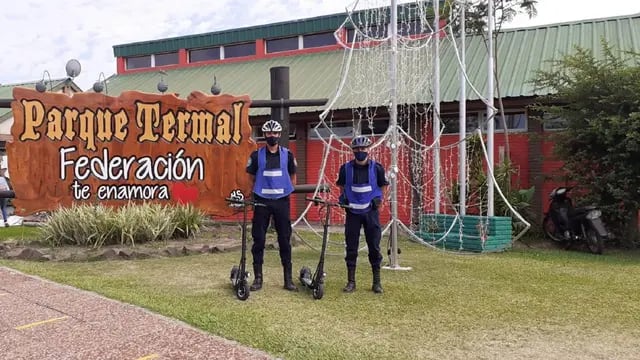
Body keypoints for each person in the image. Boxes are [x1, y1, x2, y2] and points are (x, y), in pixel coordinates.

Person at [245, 119, 298, 291]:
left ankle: (288, 280)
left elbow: (293, 177)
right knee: (258, 239)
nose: (272, 136)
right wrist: (256, 192)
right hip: (261, 201)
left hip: (282, 202)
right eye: (269, 133)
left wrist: (286, 192)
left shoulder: (288, 155)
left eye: (275, 133)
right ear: (265, 134)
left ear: (279, 135)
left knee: (284, 239)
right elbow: (250, 178)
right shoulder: (256, 155)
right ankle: (258, 278)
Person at [336, 135, 389, 294]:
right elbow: (341, 186)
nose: (360, 151)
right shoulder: (345, 168)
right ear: (353, 150)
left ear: (368, 149)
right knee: (351, 247)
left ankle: (376, 282)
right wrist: (343, 197)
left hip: (370, 212)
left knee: (374, 247)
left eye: (363, 148)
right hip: (352, 212)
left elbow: (383, 186)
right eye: (357, 149)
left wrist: (379, 201)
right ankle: (351, 282)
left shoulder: (377, 168)